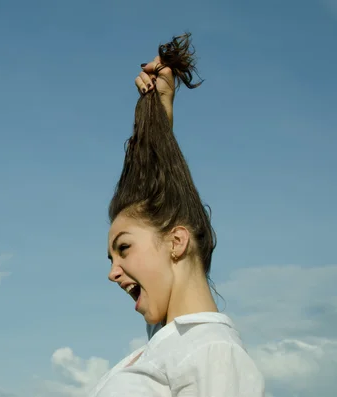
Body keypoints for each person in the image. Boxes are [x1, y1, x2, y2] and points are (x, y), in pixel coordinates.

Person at [88, 34, 265, 397]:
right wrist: (157, 118)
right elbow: (159, 188)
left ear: (177, 241)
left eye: (124, 248)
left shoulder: (213, 352)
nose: (112, 272)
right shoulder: (172, 345)